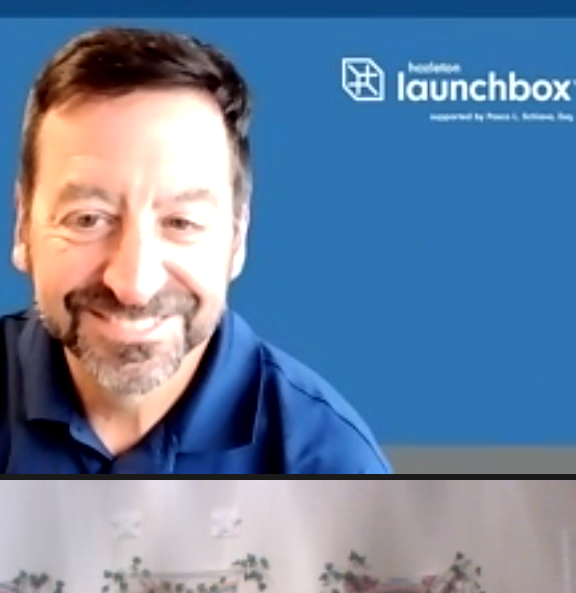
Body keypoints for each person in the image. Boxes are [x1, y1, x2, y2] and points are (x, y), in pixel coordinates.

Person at [1, 27, 391, 473]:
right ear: (22, 227)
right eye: (88, 219)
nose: (134, 285)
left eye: (181, 223)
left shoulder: (331, 465)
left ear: (237, 239)